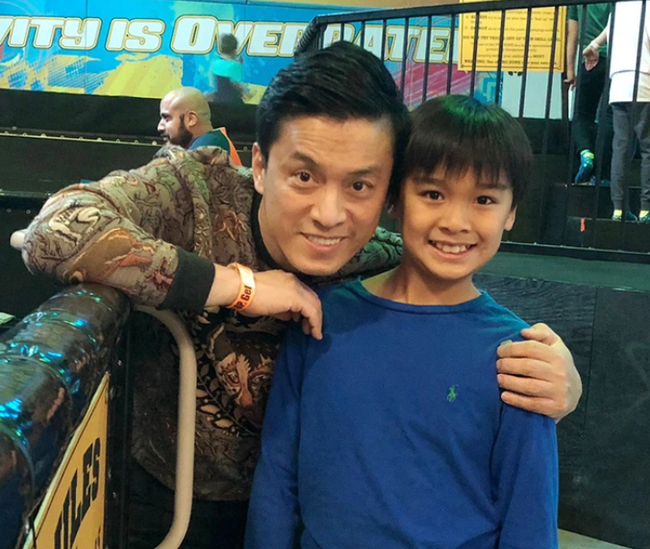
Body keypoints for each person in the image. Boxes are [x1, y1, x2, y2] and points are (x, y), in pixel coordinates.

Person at [20, 42, 580, 549]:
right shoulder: (194, 193)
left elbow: (451, 306)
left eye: (359, 184)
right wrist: (239, 286)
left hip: (292, 513)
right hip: (155, 502)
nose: (330, 214)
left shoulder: (380, 259)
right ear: (261, 166)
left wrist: (561, 385)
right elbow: (53, 231)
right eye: (305, 177)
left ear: (388, 193)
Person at [246, 95, 558, 549]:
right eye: (433, 194)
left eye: (484, 199)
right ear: (394, 198)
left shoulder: (517, 357)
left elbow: (530, 518)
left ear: (511, 213)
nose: (456, 222)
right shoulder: (319, 319)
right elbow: (277, 478)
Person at [584, 1, 650, 222]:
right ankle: (646, 209)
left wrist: (593, 45)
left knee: (621, 147)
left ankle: (619, 209)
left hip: (618, 84)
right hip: (643, 81)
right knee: (647, 148)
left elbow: (607, 31)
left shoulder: (620, 7)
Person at [565, 3, 612, 185]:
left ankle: (586, 152)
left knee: (582, 115)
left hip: (589, 60)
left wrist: (570, 70)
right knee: (608, 119)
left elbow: (573, 34)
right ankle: (602, 175)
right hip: (613, 59)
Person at [158, 86, 243, 165]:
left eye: (167, 119)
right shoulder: (213, 140)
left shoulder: (209, 147)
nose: (160, 127)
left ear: (191, 119)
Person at [209, 33, 247, 105]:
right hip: (233, 102)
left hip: (218, 101)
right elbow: (238, 86)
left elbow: (212, 83)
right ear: (234, 49)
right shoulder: (235, 65)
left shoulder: (215, 63)